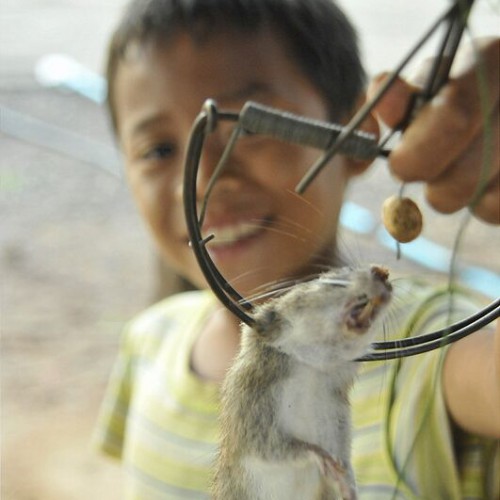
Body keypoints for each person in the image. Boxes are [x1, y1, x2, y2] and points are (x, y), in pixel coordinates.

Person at [93, 0, 499, 498]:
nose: (202, 179)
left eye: (252, 128)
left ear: (356, 133)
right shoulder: (149, 344)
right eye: (158, 150)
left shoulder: (437, 351)